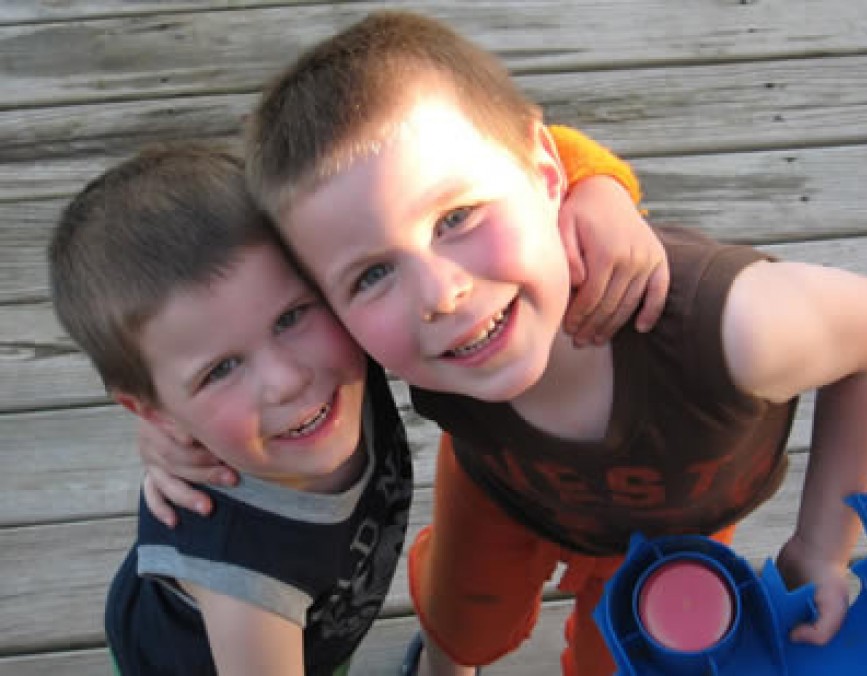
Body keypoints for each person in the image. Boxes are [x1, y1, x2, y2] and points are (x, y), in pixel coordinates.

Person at [141, 10, 867, 676]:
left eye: (455, 219)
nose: (439, 295)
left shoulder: (737, 329)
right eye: (372, 273)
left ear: (548, 175)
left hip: (670, 525)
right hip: (497, 490)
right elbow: (242, 333)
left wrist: (820, 547)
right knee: (457, 610)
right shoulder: (365, 336)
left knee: (628, 650)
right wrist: (171, 430)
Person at [50, 128, 665, 673]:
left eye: (291, 316)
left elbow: (494, 144)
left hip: (322, 628)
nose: (286, 378)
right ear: (153, 411)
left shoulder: (350, 337)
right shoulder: (243, 575)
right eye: (221, 370)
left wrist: (599, 191)